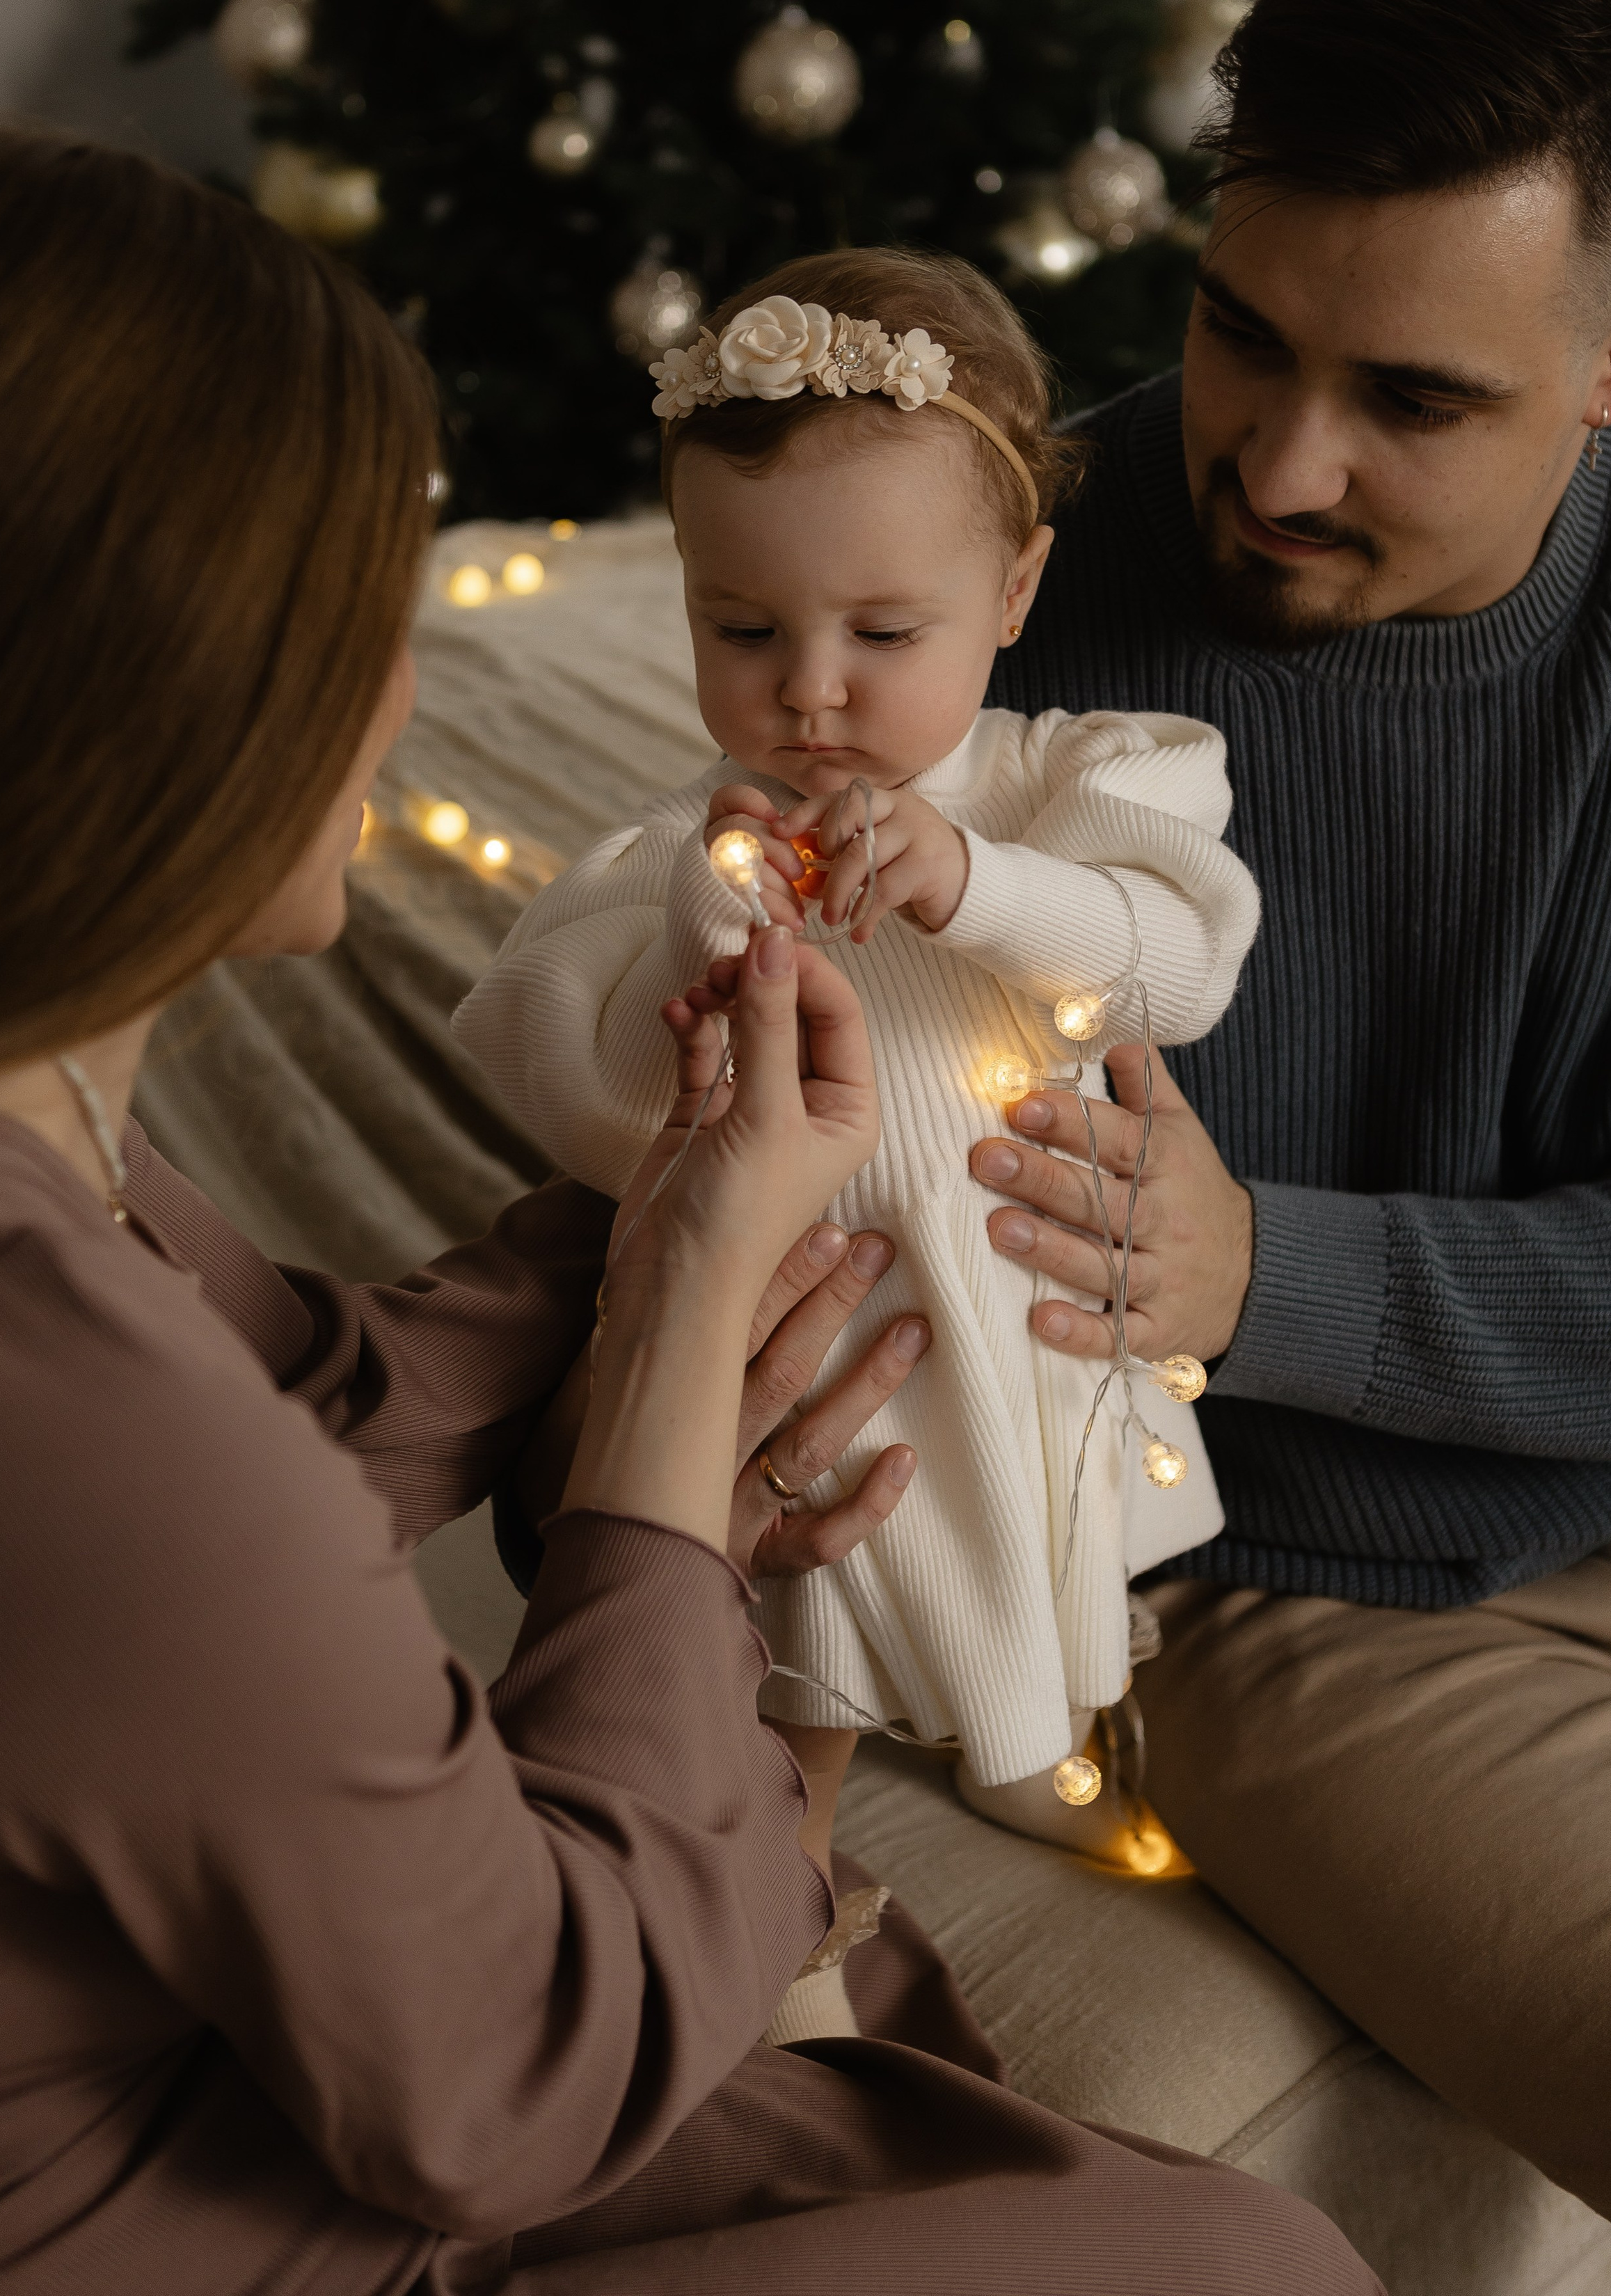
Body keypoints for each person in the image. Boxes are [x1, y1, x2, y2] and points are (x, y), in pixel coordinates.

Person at [0, 125, 1379, 2296]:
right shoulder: (25, 1388)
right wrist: (681, 1350)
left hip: (289, 2066)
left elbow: (313, 1406)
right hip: (287, 2176)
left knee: (1217, 2242)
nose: (399, 691)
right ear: (148, 712)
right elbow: (523, 2079)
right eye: (352, 616)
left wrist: (691, 1219)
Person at [977, 0, 1611, 2272]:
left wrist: (1274, 1262)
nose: (1275, 466)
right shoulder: (1008, 593)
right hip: (1303, 1603)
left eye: (1414, 403)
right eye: (1243, 336)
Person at [454, 248, 1261, 2009]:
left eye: (881, 636)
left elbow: (1177, 956)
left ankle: (1038, 1749)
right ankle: (781, 1943)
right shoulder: (691, 846)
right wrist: (705, 922)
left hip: (1019, 1328)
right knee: (792, 1672)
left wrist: (977, 881)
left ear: (1014, 588)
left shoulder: (1074, 781)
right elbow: (538, 1052)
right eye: (740, 630)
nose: (808, 692)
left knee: (1047, 1608)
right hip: (816, 1337)